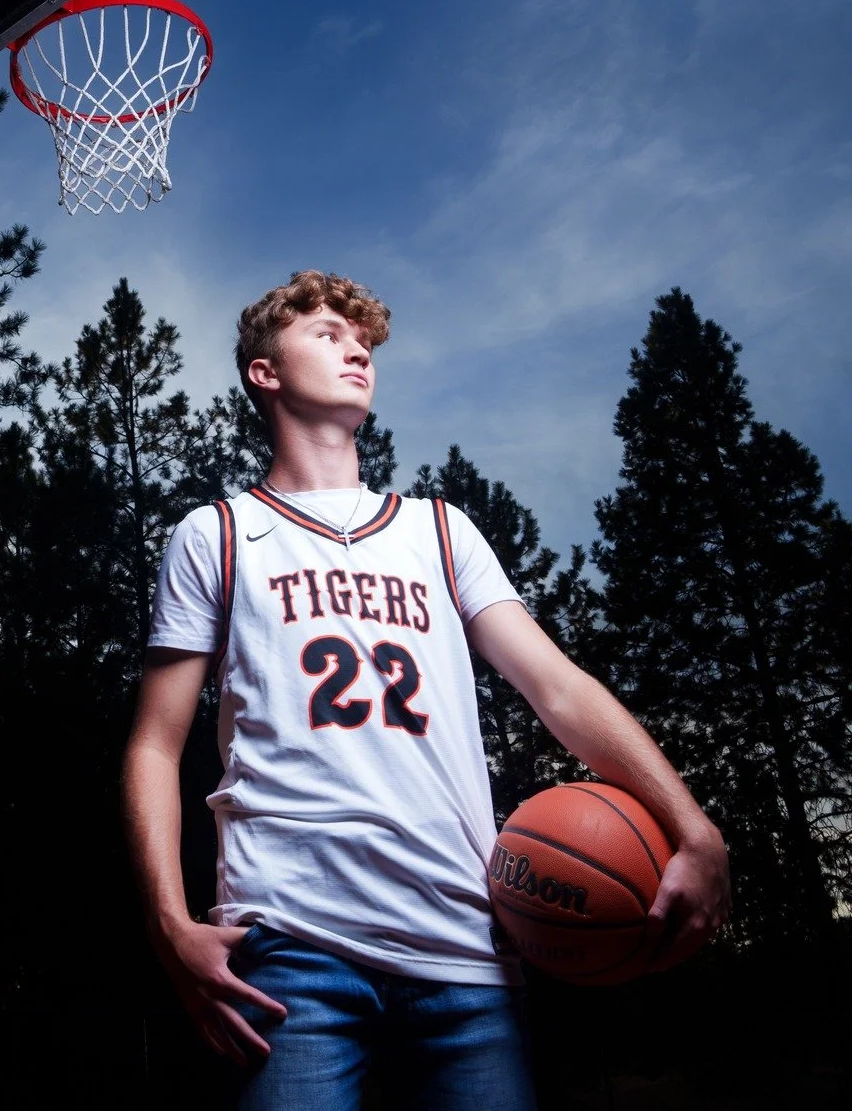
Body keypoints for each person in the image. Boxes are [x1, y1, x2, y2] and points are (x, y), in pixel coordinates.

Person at [121, 270, 730, 1110]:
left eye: (362, 339)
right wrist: (168, 925)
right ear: (264, 372)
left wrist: (690, 826)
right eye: (327, 334)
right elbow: (155, 743)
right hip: (292, 947)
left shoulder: (440, 531)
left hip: (468, 948)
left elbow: (555, 687)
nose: (356, 348)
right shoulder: (218, 535)